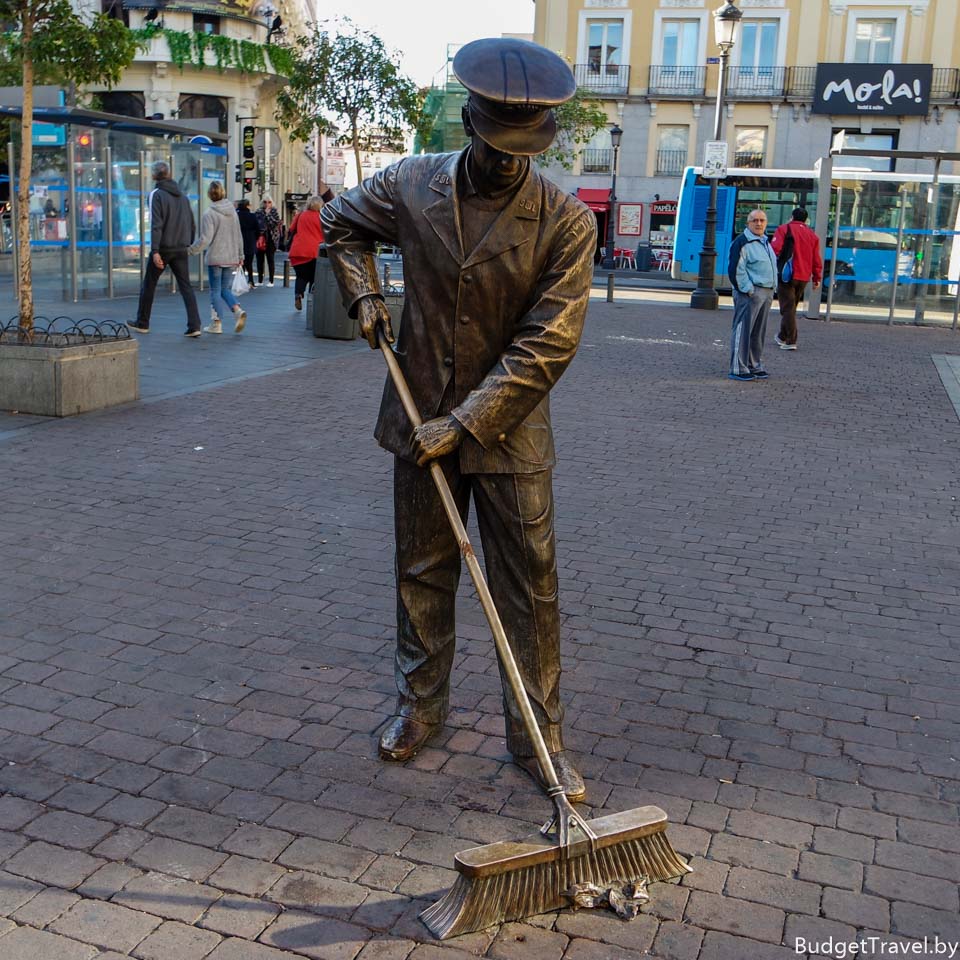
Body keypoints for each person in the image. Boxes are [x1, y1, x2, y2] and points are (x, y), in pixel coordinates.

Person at [321, 37, 596, 803]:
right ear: (471, 126)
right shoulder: (413, 184)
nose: (512, 161)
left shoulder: (567, 223)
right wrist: (364, 294)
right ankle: (420, 709)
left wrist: (467, 422)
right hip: (418, 417)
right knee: (421, 573)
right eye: (498, 146)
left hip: (511, 433)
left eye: (525, 149)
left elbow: (549, 343)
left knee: (531, 590)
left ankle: (539, 739)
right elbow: (341, 225)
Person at [129, 160, 201, 337]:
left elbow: (156, 224)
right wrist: (187, 244)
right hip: (181, 247)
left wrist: (155, 251)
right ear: (168, 174)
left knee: (149, 284)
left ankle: (143, 322)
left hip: (164, 247)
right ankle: (195, 325)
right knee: (186, 286)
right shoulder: (183, 197)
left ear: (154, 175)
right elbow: (191, 224)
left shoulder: (157, 194)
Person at [188, 181, 247, 335]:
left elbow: (205, 239)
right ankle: (237, 310)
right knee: (224, 289)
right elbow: (238, 236)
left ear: (209, 194)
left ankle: (217, 323)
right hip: (231, 257)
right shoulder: (233, 212)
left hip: (215, 257)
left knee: (215, 290)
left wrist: (191, 250)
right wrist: (240, 255)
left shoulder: (209, 213)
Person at [728, 209, 777, 381]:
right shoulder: (742, 242)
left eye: (762, 220)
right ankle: (738, 368)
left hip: (766, 292)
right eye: (754, 220)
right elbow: (735, 270)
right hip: (750, 293)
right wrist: (748, 289)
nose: (759, 223)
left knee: (758, 332)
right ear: (748, 223)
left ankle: (754, 365)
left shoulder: (765, 241)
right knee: (743, 330)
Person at [771, 207, 822, 351]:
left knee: (787, 308)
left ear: (792, 216)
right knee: (791, 307)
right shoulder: (812, 236)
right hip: (804, 276)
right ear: (805, 220)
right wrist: (817, 277)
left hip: (787, 275)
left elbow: (775, 249)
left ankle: (791, 340)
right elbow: (816, 259)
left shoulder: (783, 229)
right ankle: (782, 335)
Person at [287, 196, 325, 311]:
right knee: (314, 278)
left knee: (301, 276)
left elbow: (291, 229)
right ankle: (311, 300)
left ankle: (298, 294)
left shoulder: (300, 215)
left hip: (298, 250)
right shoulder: (322, 217)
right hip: (314, 252)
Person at [255, 195, 281, 286]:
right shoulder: (258, 212)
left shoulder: (274, 211)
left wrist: (268, 214)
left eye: (269, 202)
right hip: (261, 238)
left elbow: (274, 223)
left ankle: (271, 281)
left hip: (271, 239)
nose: (267, 204)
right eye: (265, 202)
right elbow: (258, 223)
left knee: (270, 259)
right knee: (259, 260)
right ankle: (260, 280)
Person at [236, 199, 259, 288]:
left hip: (240, 240)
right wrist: (255, 238)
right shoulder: (252, 216)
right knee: (249, 263)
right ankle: (251, 281)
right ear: (247, 206)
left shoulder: (237, 215)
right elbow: (257, 229)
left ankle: (241, 281)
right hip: (250, 240)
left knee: (241, 262)